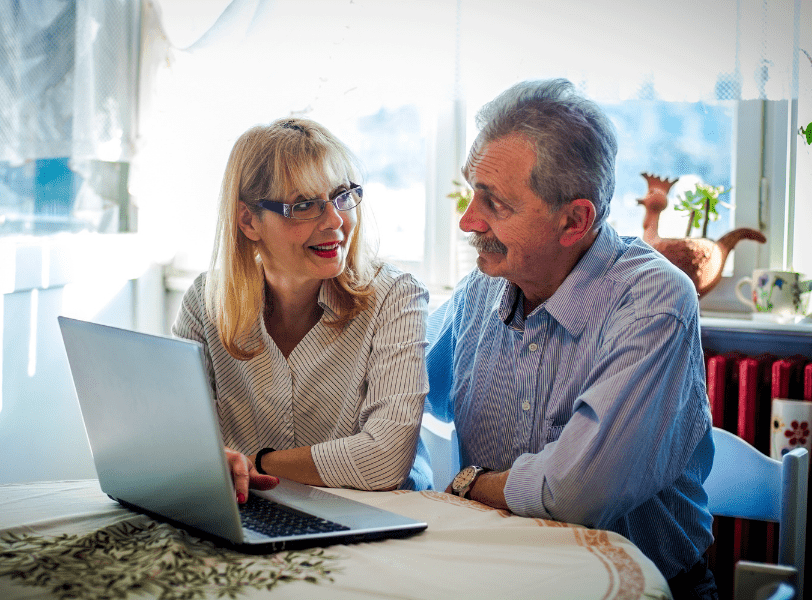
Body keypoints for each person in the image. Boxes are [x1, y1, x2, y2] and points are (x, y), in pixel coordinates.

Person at [425, 79, 717, 599]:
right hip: (502, 581)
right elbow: (397, 386)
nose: (469, 220)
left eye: (494, 204)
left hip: (643, 589)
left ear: (575, 220)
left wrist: (470, 483)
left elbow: (577, 494)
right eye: (473, 192)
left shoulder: (654, 300)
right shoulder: (483, 288)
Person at [172, 117, 431, 504]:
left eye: (343, 196)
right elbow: (179, 437)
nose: (335, 221)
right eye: (304, 205)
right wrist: (200, 458)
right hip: (253, 510)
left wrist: (254, 463)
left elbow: (384, 459)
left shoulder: (394, 296)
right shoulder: (205, 301)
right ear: (248, 221)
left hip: (375, 512)